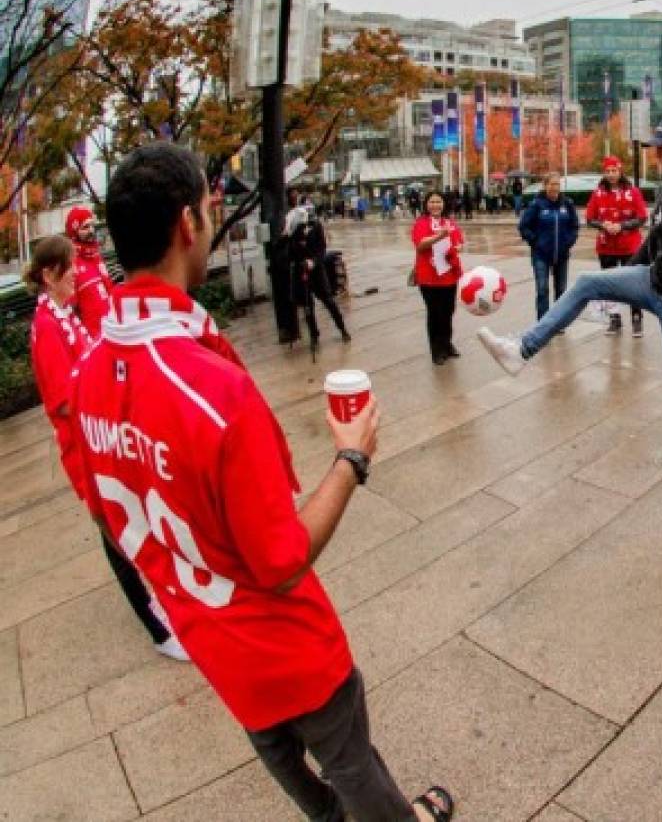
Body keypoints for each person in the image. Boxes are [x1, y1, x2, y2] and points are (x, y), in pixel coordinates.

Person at [71, 142, 454, 822]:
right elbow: (279, 559)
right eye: (212, 207)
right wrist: (351, 459)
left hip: (209, 638)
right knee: (351, 760)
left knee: (283, 758)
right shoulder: (211, 390)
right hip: (284, 643)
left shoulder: (91, 372)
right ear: (189, 223)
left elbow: (106, 511)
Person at [478, 117, 662, 484]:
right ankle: (521, 350)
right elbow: (655, 243)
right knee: (590, 281)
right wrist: (620, 283)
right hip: (654, 281)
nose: (656, 152)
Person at [25, 235, 188, 662]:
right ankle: (158, 629)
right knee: (114, 535)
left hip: (99, 439)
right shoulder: (46, 328)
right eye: (69, 267)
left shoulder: (63, 315)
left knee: (124, 526)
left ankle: (164, 606)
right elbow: (62, 398)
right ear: (49, 275)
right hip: (84, 450)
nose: (77, 273)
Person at [585, 156, 648, 337]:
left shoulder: (632, 192)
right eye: (608, 171)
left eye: (614, 171)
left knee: (633, 283)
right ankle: (615, 319)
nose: (611, 174)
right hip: (606, 247)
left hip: (629, 246)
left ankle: (636, 318)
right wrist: (603, 225)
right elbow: (590, 218)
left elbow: (642, 217)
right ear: (604, 173)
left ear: (620, 171)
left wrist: (622, 226)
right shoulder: (598, 193)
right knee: (609, 285)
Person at [287, 193, 351, 347]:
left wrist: (314, 262)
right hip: (301, 271)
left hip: (316, 270)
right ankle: (314, 335)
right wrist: (291, 237)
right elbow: (289, 253)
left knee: (329, 301)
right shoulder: (293, 227)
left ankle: (342, 329)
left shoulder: (316, 226)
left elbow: (322, 248)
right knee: (308, 306)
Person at [411, 191, 465, 365]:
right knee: (435, 313)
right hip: (429, 277)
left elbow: (459, 242)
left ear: (444, 204)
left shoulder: (450, 222)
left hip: (449, 276)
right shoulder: (421, 223)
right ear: (426, 204)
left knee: (448, 312)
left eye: (439, 201)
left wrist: (459, 247)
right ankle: (436, 350)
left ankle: (447, 344)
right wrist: (439, 236)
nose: (435, 205)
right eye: (432, 201)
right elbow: (420, 245)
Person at [518, 172, 579, 321]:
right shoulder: (537, 205)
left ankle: (557, 322)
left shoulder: (567, 204)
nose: (555, 188)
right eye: (551, 184)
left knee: (561, 290)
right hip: (541, 255)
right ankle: (543, 323)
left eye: (557, 184)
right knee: (542, 289)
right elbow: (523, 227)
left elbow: (574, 225)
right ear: (545, 186)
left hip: (562, 255)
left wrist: (569, 241)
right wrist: (535, 241)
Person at [64, 205, 113, 339]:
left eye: (92, 226)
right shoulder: (71, 264)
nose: (91, 230)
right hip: (93, 339)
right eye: (85, 227)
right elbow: (71, 309)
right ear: (74, 232)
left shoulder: (96, 257)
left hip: (112, 331)